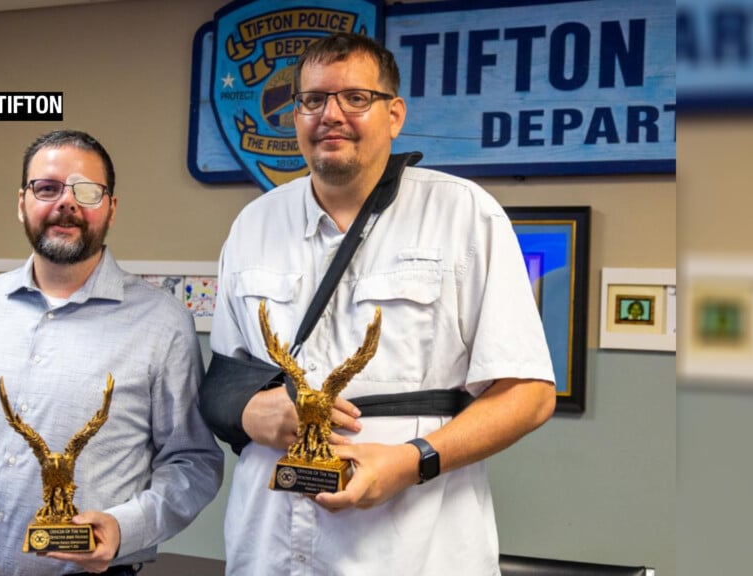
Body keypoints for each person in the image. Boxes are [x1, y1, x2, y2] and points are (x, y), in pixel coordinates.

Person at [202, 34, 556, 575]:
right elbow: (226, 379)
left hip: (413, 549)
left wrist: (411, 461)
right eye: (313, 100)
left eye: (355, 98)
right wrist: (249, 410)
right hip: (268, 545)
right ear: (295, 114)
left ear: (394, 114)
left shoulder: (465, 216)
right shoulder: (254, 224)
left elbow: (529, 395)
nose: (331, 115)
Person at [0, 130, 223, 576]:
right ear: (22, 202)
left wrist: (124, 528)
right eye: (48, 187)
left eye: (88, 191)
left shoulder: (162, 324)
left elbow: (193, 462)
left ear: (111, 208)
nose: (67, 203)